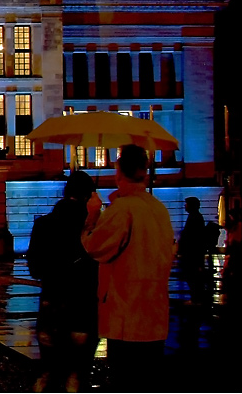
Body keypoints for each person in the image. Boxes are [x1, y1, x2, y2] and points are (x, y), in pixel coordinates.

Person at [81, 145, 174, 393]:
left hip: (126, 314)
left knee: (126, 381)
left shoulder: (123, 210)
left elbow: (95, 247)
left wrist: (92, 217)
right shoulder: (158, 209)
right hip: (155, 314)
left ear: (118, 172)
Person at [27, 170, 99, 393]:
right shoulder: (94, 227)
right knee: (77, 373)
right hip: (83, 307)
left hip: (51, 304)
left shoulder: (43, 224)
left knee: (49, 368)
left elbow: (35, 269)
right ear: (89, 196)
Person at [177, 196, 207, 306]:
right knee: (194, 277)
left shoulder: (194, 217)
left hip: (192, 254)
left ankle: (196, 299)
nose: (185, 206)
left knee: (193, 277)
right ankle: (197, 298)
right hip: (194, 253)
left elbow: (191, 236)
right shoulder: (196, 217)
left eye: (186, 204)